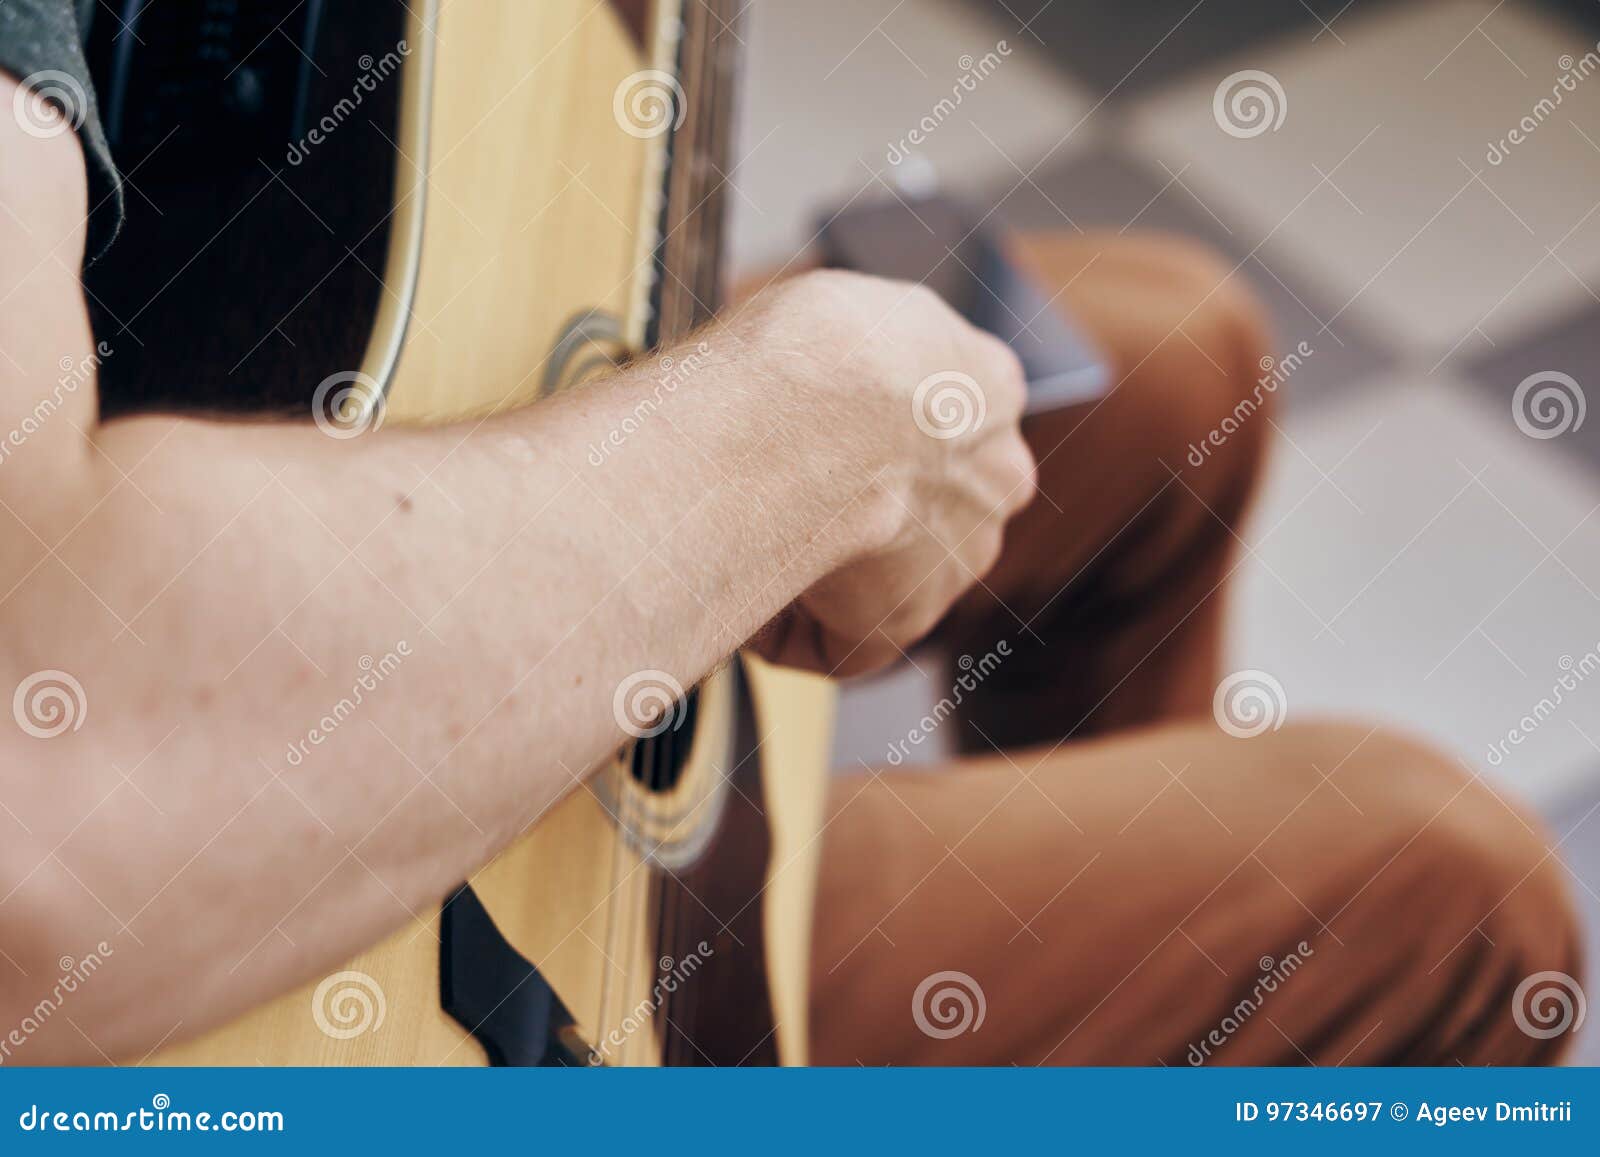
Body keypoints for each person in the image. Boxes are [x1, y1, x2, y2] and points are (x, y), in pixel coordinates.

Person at [0, 12, 1581, 1067]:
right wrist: (789, 439)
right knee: (1458, 894)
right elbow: (42, 801)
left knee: (1178, 357)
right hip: (337, 966)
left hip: (342, 493)